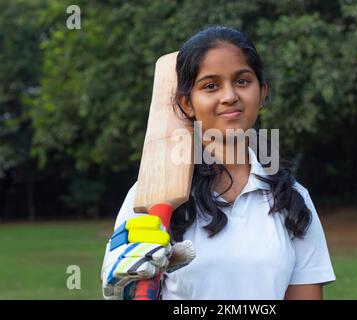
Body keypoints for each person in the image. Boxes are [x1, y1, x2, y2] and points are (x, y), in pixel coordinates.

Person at [101, 25, 336, 300]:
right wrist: (128, 292)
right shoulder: (148, 197)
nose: (229, 96)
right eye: (210, 86)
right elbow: (127, 289)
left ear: (262, 93)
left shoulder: (293, 199)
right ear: (187, 104)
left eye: (242, 81)